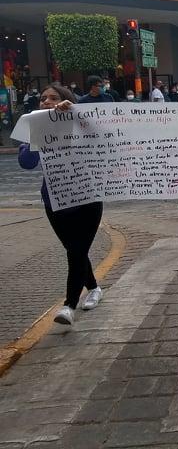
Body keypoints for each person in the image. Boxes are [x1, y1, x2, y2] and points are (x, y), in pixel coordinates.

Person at [18, 83, 104, 325]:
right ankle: (95, 288)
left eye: (53, 98)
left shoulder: (79, 122)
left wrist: (75, 113)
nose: (45, 101)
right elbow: (26, 162)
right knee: (74, 250)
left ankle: (69, 306)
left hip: (87, 198)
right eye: (43, 98)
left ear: (66, 100)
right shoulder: (36, 127)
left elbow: (101, 138)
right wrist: (38, 133)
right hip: (54, 201)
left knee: (77, 251)